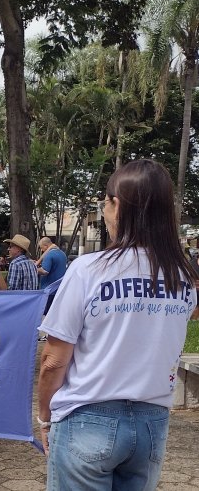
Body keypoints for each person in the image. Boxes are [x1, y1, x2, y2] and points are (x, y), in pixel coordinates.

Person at [37, 159, 198, 490]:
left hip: (88, 418)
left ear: (116, 205)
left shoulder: (87, 269)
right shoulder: (183, 277)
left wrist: (44, 416)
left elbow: (53, 360)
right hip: (152, 422)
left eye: (105, 203)